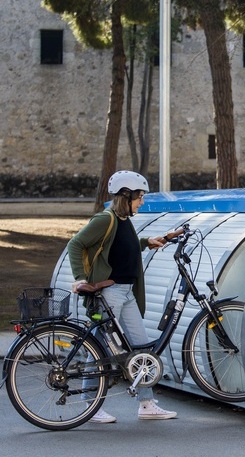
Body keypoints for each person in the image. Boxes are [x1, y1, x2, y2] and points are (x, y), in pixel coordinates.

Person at [66, 170, 177, 424]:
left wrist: (148, 241)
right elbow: (76, 244)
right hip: (111, 292)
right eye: (139, 197)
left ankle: (146, 403)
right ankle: (91, 405)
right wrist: (80, 278)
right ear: (125, 196)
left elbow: (123, 248)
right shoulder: (105, 220)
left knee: (141, 348)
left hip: (126, 293)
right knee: (101, 348)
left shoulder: (123, 220)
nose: (142, 202)